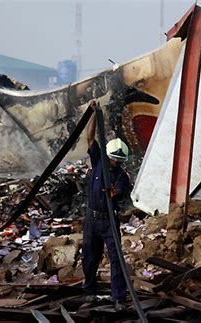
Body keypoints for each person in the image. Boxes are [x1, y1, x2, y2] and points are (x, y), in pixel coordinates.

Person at [82, 101, 131, 312]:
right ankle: (90, 293)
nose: (114, 163)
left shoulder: (121, 176)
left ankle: (119, 298)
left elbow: (119, 192)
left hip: (109, 221)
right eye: (112, 159)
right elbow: (90, 137)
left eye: (117, 161)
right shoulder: (98, 161)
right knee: (89, 258)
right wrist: (93, 113)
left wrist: (114, 192)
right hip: (91, 220)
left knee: (116, 259)